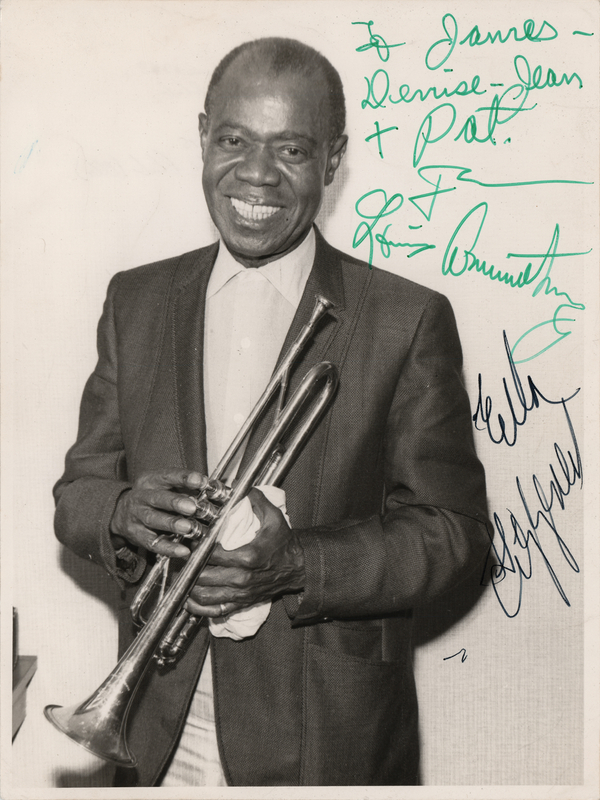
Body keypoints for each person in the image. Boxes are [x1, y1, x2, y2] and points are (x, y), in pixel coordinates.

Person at [53, 37, 490, 786]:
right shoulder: (136, 300)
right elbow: (77, 494)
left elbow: (455, 535)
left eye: (291, 149)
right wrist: (123, 512)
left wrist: (298, 564)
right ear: (203, 137)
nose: (256, 173)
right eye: (233, 140)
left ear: (332, 159)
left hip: (325, 740)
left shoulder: (407, 319)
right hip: (153, 730)